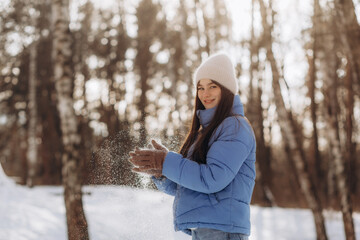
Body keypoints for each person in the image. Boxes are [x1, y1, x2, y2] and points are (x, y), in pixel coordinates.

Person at [129, 52, 256, 240]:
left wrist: (167, 162)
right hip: (207, 228)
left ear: (226, 89)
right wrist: (162, 171)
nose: (205, 94)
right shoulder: (205, 132)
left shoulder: (234, 126)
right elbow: (186, 187)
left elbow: (212, 179)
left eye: (213, 86)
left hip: (222, 230)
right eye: (200, 87)